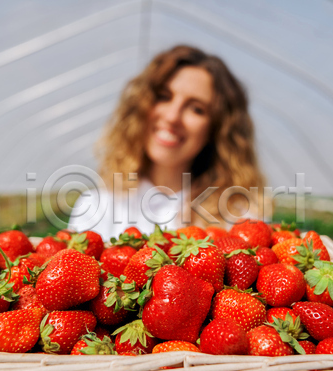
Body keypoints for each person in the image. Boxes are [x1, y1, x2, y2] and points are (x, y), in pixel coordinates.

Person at [68, 45, 266, 241]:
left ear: (217, 129)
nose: (172, 117)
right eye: (164, 97)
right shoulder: (96, 206)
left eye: (196, 109)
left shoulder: (239, 216)